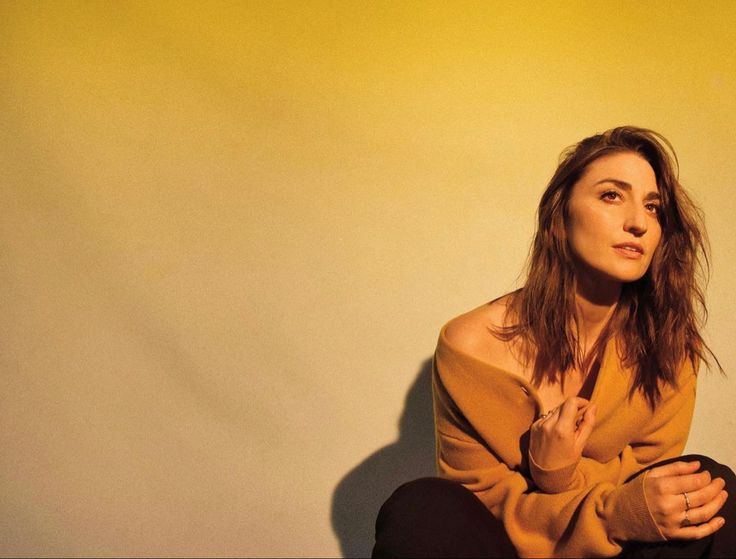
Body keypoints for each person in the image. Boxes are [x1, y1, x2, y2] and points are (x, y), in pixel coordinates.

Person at [372, 126, 735, 558]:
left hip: (617, 551)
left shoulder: (670, 347)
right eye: (611, 196)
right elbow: (485, 504)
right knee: (421, 509)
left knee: (712, 486)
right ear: (560, 216)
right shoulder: (471, 344)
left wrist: (559, 474)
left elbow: (647, 485)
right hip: (502, 548)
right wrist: (610, 512)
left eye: (653, 207)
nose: (639, 222)